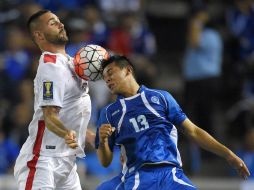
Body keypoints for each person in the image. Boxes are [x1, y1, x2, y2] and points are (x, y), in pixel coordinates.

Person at [96, 55, 250, 190]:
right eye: (104, 78)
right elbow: (105, 161)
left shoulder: (161, 97)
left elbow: (193, 131)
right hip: (139, 176)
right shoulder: (109, 112)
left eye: (110, 73)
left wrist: (228, 154)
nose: (107, 79)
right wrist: (102, 141)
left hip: (172, 173)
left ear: (128, 70)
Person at [13, 10, 95, 190]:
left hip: (67, 162)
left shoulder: (72, 63)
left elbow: (71, 112)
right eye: (52, 22)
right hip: (42, 160)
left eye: (59, 21)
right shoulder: (50, 66)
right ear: (39, 35)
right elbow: (50, 117)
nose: (61, 24)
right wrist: (66, 133)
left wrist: (90, 136)